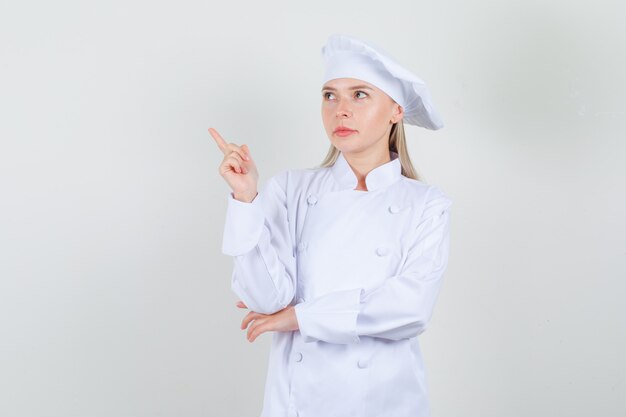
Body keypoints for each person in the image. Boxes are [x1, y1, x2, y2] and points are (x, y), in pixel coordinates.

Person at [210, 33, 452, 417]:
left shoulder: (425, 204)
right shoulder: (290, 189)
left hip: (387, 401)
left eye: (359, 94)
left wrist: (301, 317)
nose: (340, 110)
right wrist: (246, 199)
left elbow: (410, 308)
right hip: (298, 401)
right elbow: (265, 299)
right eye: (329, 95)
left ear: (395, 111)